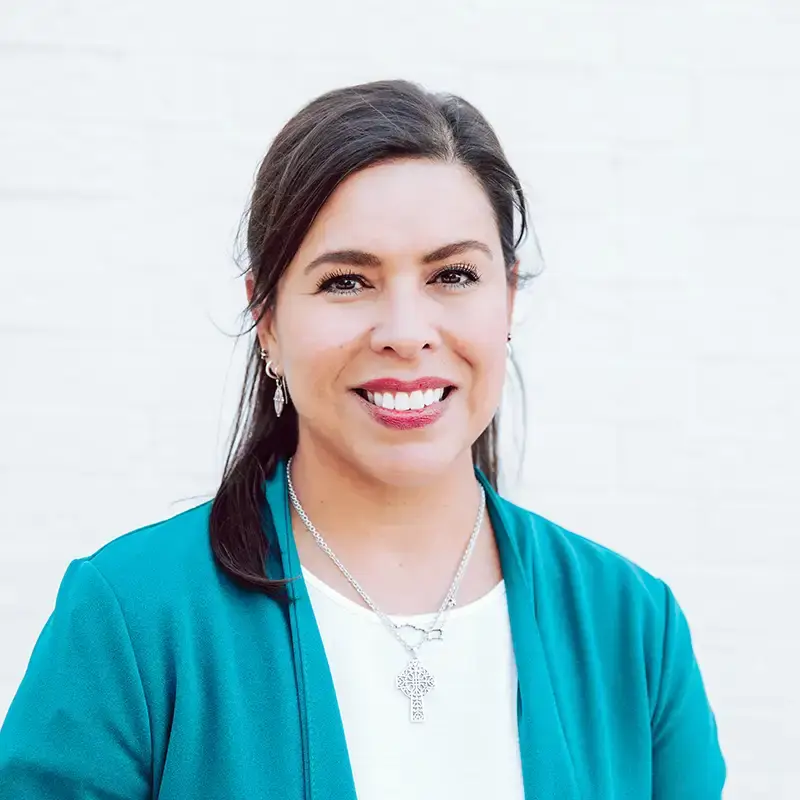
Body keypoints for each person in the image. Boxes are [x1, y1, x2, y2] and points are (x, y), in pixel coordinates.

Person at [0, 79, 726, 799]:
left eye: (453, 274)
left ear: (507, 297)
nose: (407, 334)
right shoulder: (131, 619)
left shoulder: (633, 627)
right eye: (347, 282)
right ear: (268, 319)